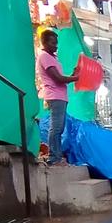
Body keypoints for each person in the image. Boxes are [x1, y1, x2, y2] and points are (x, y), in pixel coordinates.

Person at [37, 29, 78, 165]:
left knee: (59, 128)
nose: (56, 46)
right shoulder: (44, 57)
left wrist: (73, 74)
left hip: (60, 96)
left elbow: (61, 77)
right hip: (55, 96)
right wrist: (75, 78)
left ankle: (56, 155)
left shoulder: (52, 58)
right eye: (53, 43)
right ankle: (54, 156)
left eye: (56, 43)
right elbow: (58, 78)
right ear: (45, 42)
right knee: (56, 128)